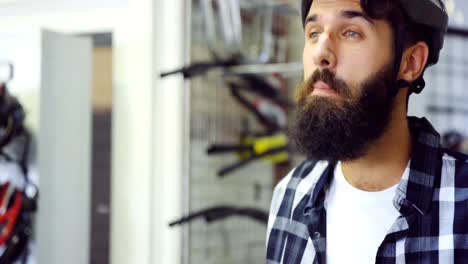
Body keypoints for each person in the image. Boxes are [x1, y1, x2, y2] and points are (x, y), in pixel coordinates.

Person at [265, 0, 468, 263]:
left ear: (410, 62)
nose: (320, 53)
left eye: (351, 32)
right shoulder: (290, 193)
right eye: (314, 33)